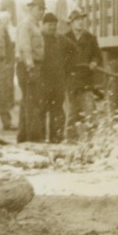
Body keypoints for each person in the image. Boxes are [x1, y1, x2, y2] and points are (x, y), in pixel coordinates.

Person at [35, 12, 72, 142]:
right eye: (50, 25)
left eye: (54, 25)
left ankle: (56, 138)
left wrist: (66, 67)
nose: (52, 27)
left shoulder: (61, 39)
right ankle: (40, 138)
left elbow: (74, 51)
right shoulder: (38, 38)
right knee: (41, 110)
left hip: (58, 80)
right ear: (43, 25)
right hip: (42, 80)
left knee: (57, 110)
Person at [65, 10, 101, 138]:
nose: (80, 22)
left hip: (86, 80)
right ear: (71, 23)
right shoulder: (65, 38)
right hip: (72, 81)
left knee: (89, 111)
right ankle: (70, 139)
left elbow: (97, 56)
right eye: (77, 20)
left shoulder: (91, 38)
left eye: (81, 19)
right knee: (72, 112)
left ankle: (92, 141)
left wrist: (94, 62)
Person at [15, 0, 46, 142]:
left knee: (27, 101)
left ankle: (23, 136)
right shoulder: (27, 24)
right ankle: (32, 137)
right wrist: (30, 66)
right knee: (32, 102)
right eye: (39, 9)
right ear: (31, 9)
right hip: (28, 66)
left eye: (43, 9)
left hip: (31, 66)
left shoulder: (35, 25)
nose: (41, 12)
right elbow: (25, 46)